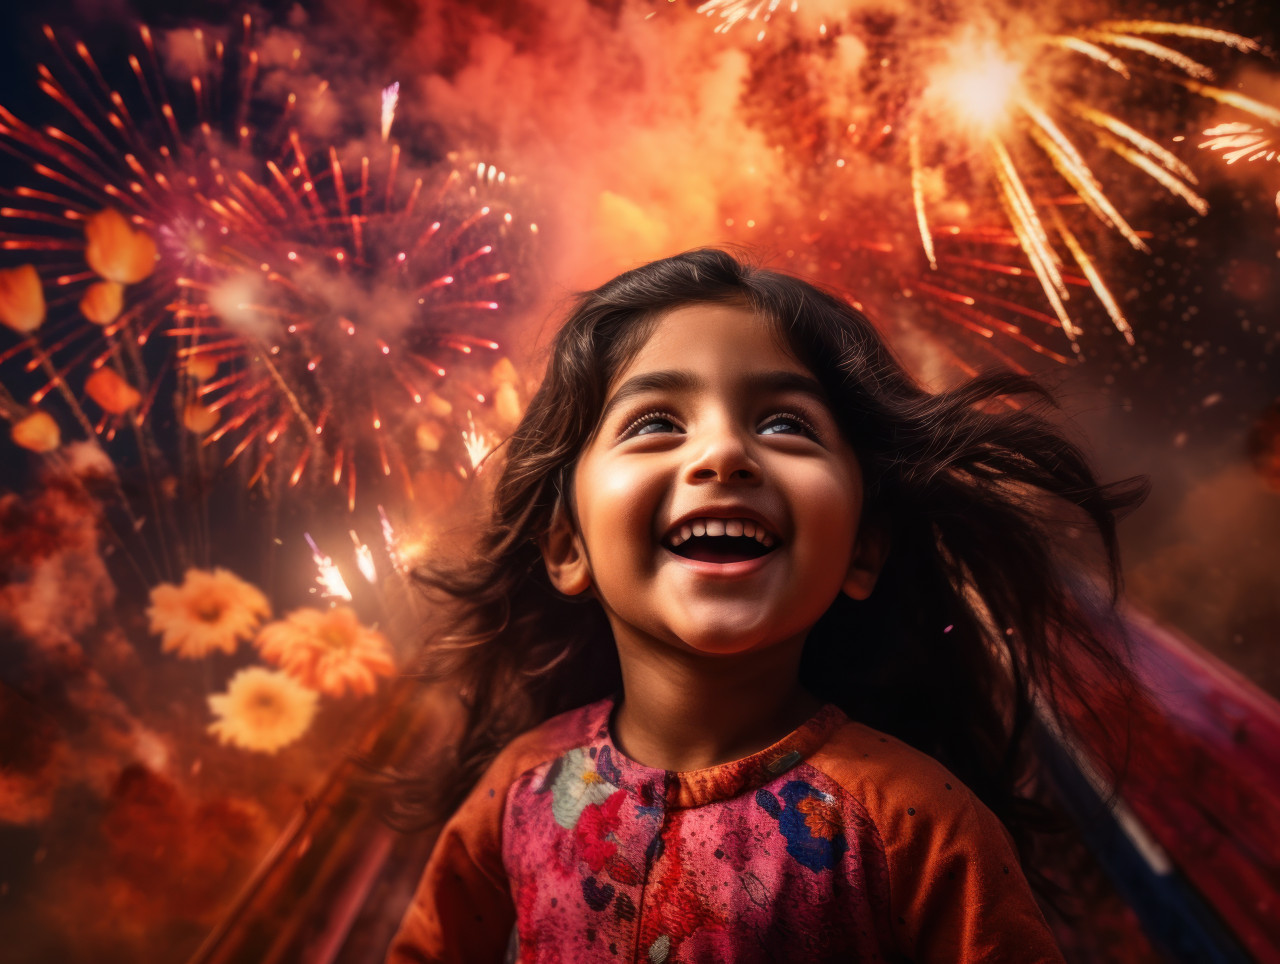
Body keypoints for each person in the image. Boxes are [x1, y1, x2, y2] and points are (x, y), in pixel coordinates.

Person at [386, 248, 1146, 963]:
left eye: (786, 424)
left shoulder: (918, 826)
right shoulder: (517, 789)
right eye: (655, 423)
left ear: (863, 549)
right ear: (566, 547)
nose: (723, 454)